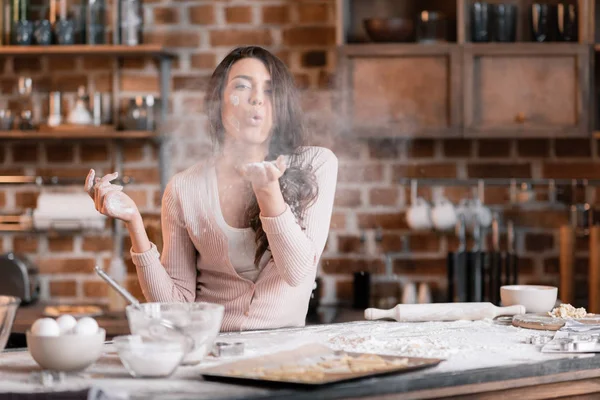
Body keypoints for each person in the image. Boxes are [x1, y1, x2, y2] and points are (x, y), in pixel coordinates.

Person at [84, 46, 338, 332]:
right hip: (211, 351)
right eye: (242, 86)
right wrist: (134, 223)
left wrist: (267, 191)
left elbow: (298, 273)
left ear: (281, 107)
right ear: (218, 102)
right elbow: (175, 306)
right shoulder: (185, 188)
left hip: (284, 359)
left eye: (269, 90)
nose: (256, 99)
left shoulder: (316, 165)